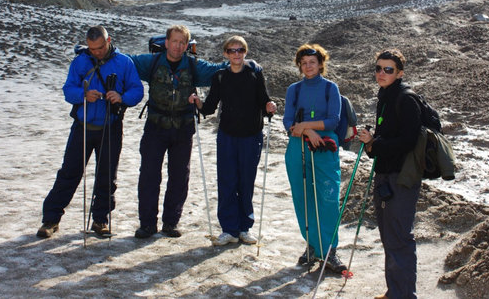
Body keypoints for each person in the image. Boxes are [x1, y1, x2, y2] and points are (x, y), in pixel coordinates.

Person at [37, 26, 144, 238]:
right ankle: (50, 220)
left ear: (109, 41)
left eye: (101, 47)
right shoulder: (80, 62)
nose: (97, 52)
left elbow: (137, 90)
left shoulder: (124, 62)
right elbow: (68, 90)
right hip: (83, 127)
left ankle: (100, 220)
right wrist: (84, 94)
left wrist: (122, 98)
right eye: (93, 48)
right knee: (69, 173)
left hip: (111, 126)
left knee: (106, 176)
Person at [128, 25, 229, 239]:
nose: (178, 46)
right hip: (155, 127)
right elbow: (126, 62)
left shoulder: (193, 66)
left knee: (179, 176)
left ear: (187, 45)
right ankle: (146, 224)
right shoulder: (151, 62)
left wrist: (242, 62)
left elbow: (217, 70)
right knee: (148, 175)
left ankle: (170, 222)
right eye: (174, 41)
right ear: (166, 43)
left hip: (183, 129)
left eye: (182, 42)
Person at [188, 36, 277, 246]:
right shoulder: (220, 77)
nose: (236, 54)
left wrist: (269, 105)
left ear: (245, 52)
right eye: (232, 50)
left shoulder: (255, 74)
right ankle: (229, 229)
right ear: (225, 54)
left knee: (246, 182)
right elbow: (209, 107)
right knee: (227, 181)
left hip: (251, 136)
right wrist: (197, 102)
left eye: (240, 50)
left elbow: (263, 98)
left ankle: (245, 228)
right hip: (227, 136)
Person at [358, 49, 422, 299]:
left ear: (400, 72)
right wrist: (371, 144)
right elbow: (385, 141)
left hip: (402, 177)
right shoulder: (385, 96)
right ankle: (394, 291)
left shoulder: (406, 99)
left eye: (388, 69)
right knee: (389, 236)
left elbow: (408, 141)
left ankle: (404, 295)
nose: (381, 74)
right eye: (378, 68)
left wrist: (376, 142)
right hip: (386, 174)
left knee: (399, 238)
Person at [283, 44, 346, 273]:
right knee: (303, 197)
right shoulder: (294, 89)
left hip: (325, 147)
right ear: (299, 65)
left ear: (321, 64)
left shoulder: (331, 88)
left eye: (312, 62)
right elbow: (287, 121)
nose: (308, 66)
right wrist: (307, 131)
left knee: (327, 197)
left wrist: (306, 127)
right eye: (304, 62)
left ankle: (329, 250)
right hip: (297, 146)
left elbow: (333, 121)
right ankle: (311, 245)